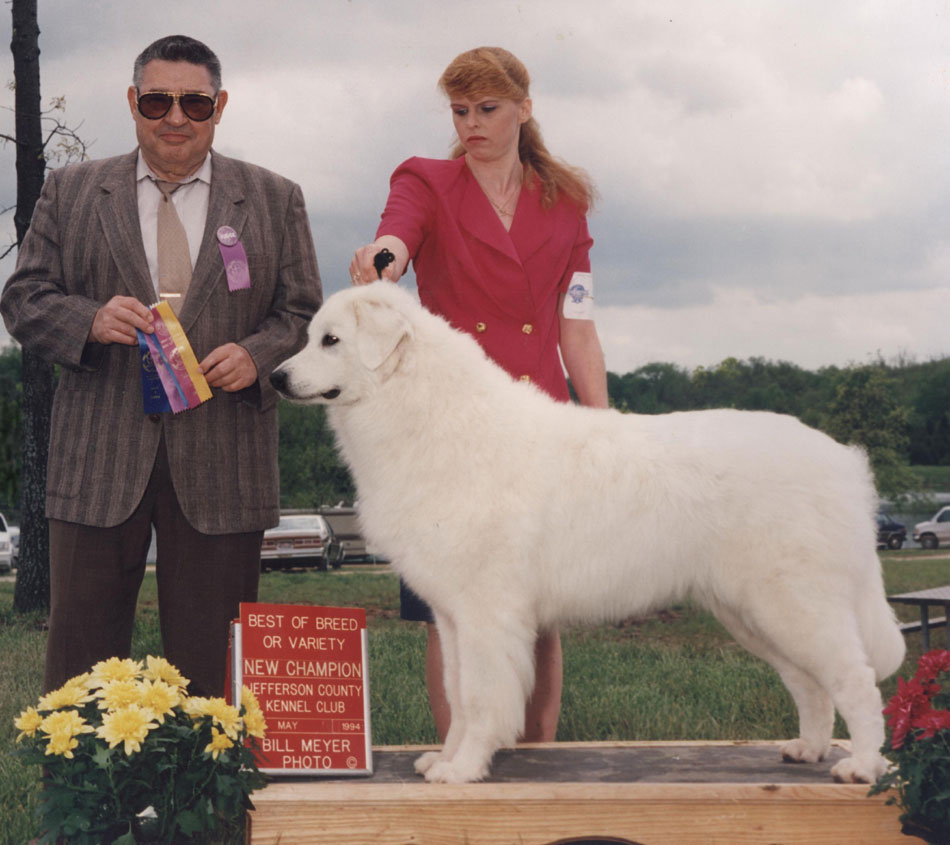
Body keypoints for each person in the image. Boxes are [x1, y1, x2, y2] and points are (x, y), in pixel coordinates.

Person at [1, 35, 321, 697]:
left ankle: (209, 803)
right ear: (132, 103)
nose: (175, 116)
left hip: (223, 459)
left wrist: (256, 356)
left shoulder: (274, 198)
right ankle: (85, 803)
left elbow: (303, 317)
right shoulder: (72, 190)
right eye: (157, 100)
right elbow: (23, 297)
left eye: (194, 103)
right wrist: (87, 320)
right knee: (81, 675)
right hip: (98, 461)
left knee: (215, 674)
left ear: (219, 106)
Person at [350, 46, 608, 742]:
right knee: (452, 606)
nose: (471, 123)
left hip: (539, 429)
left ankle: (540, 755)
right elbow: (396, 236)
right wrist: (385, 259)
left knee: (539, 607)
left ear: (524, 109)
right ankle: (461, 760)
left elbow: (575, 327)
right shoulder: (425, 180)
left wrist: (604, 424)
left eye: (487, 109)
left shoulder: (568, 202)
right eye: (460, 111)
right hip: (447, 433)